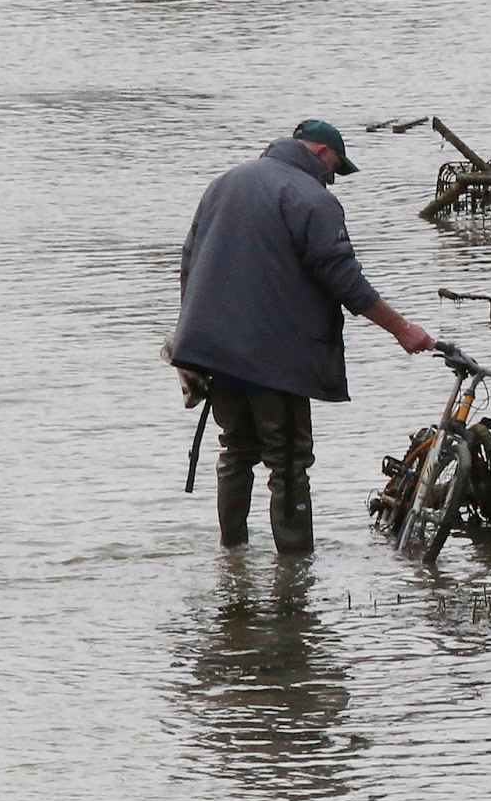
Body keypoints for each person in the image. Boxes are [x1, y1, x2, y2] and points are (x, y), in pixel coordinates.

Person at [170, 119, 434, 553]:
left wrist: (191, 341)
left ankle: (232, 556)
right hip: (275, 359)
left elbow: (189, 261)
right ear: (323, 153)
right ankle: (295, 573)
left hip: (214, 352)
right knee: (289, 463)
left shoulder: (224, 183)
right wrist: (402, 330)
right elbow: (345, 280)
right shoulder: (311, 198)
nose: (332, 180)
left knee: (235, 451)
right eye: (335, 169)